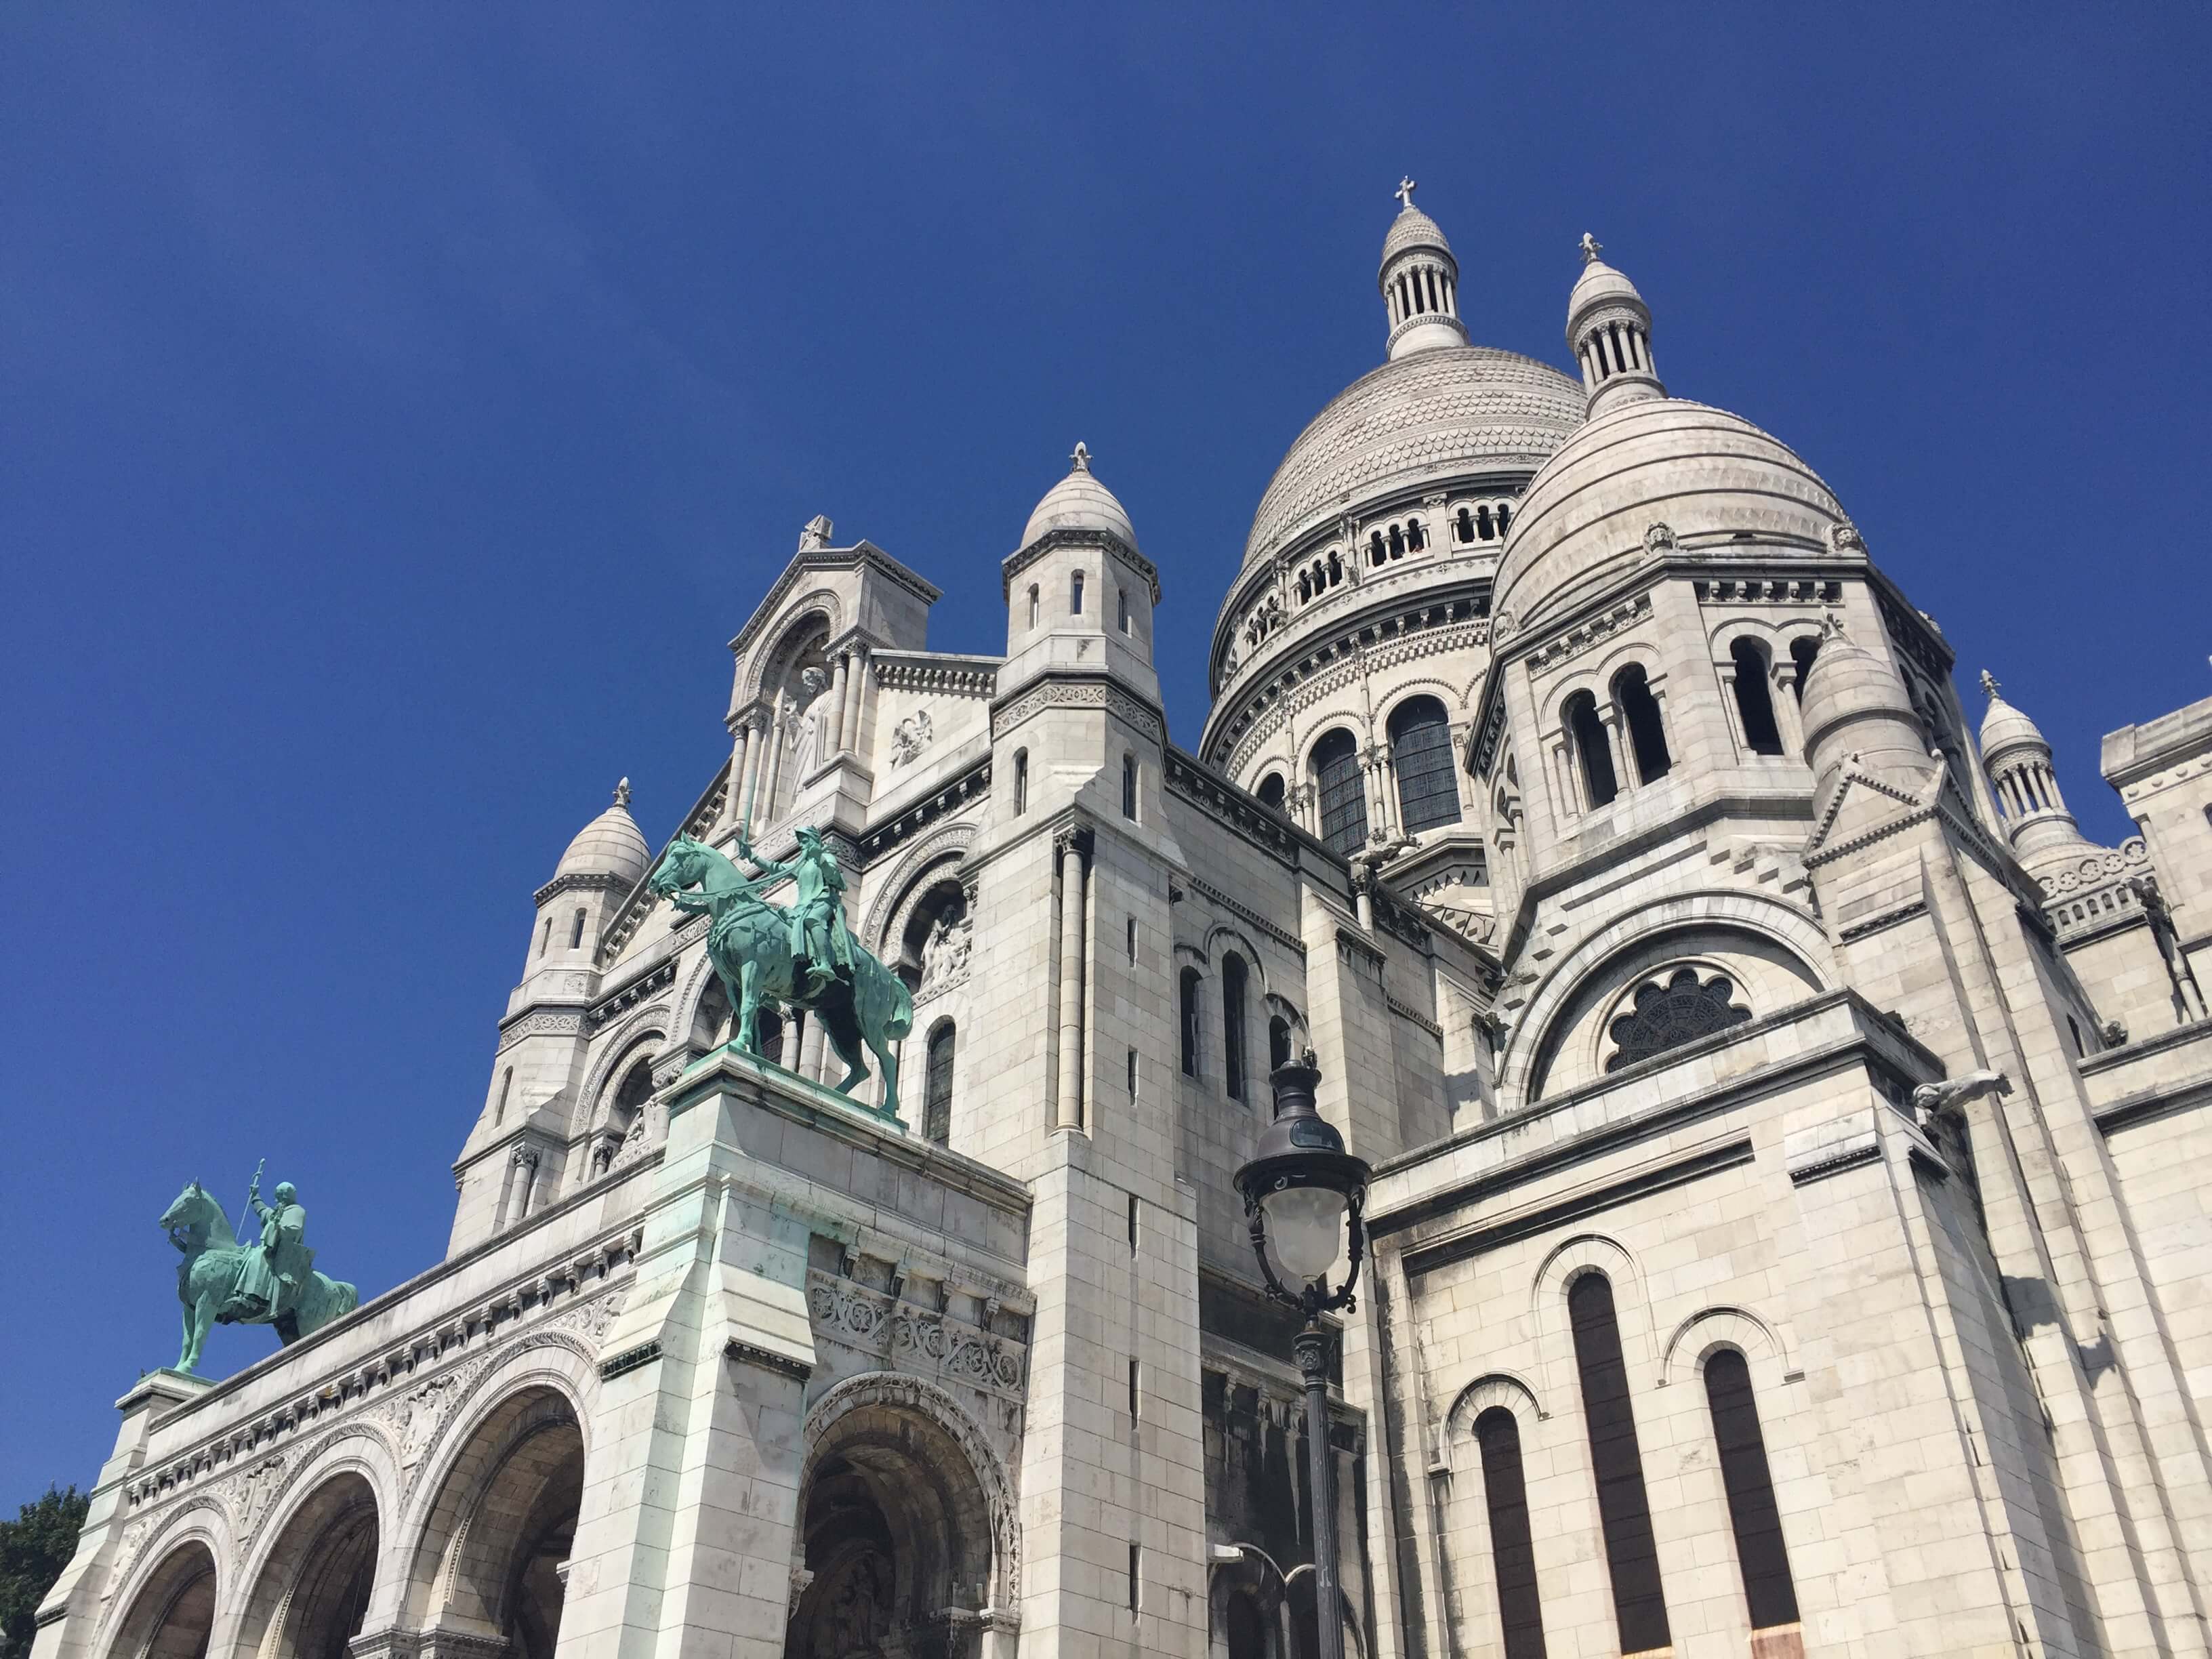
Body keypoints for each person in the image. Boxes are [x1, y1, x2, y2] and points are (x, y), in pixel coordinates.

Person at [736, 823, 855, 998]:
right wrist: (752, 857)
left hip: (823, 902)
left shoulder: (827, 857)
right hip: (802, 906)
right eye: (800, 841)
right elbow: (775, 869)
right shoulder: (801, 864)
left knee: (812, 919)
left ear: (813, 840)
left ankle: (825, 964)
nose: (801, 845)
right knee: (778, 924)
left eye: (804, 840)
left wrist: (820, 859)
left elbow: (836, 879)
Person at [237, 1174, 312, 1323]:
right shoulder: (279, 1211)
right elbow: (264, 1212)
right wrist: (255, 1196)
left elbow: (294, 1229)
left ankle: (251, 1296)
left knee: (258, 1257)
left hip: (286, 1252)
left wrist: (277, 1227)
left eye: (279, 1197)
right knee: (251, 1254)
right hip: (274, 1248)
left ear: (285, 1197)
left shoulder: (298, 1211)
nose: (277, 1200)